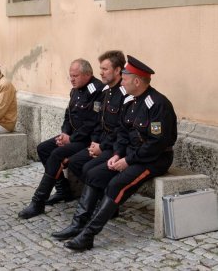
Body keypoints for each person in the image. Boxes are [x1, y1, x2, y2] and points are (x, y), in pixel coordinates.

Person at [54, 55, 177, 251]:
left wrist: (128, 160)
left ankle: (88, 235)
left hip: (154, 159)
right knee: (94, 174)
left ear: (137, 81)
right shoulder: (131, 102)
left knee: (116, 184)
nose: (123, 82)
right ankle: (78, 223)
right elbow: (122, 131)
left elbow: (156, 144)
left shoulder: (157, 105)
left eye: (126, 78)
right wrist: (117, 154)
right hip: (130, 155)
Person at [50, 50, 127, 240]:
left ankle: (83, 220)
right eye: (100, 68)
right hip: (105, 144)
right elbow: (100, 122)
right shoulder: (107, 92)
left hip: (118, 148)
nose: (100, 73)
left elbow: (122, 129)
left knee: (91, 169)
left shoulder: (125, 95)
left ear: (118, 70)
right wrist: (96, 142)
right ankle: (101, 203)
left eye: (104, 69)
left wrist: (102, 146)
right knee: (76, 162)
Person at [18, 58, 104, 219]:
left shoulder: (97, 91)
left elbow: (93, 122)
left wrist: (71, 139)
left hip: (87, 140)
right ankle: (63, 189)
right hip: (72, 137)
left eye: (75, 76)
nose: (72, 79)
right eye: (70, 76)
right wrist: (65, 133)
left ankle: (38, 202)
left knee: (57, 155)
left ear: (87, 74)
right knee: (43, 148)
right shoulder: (75, 90)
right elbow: (68, 115)